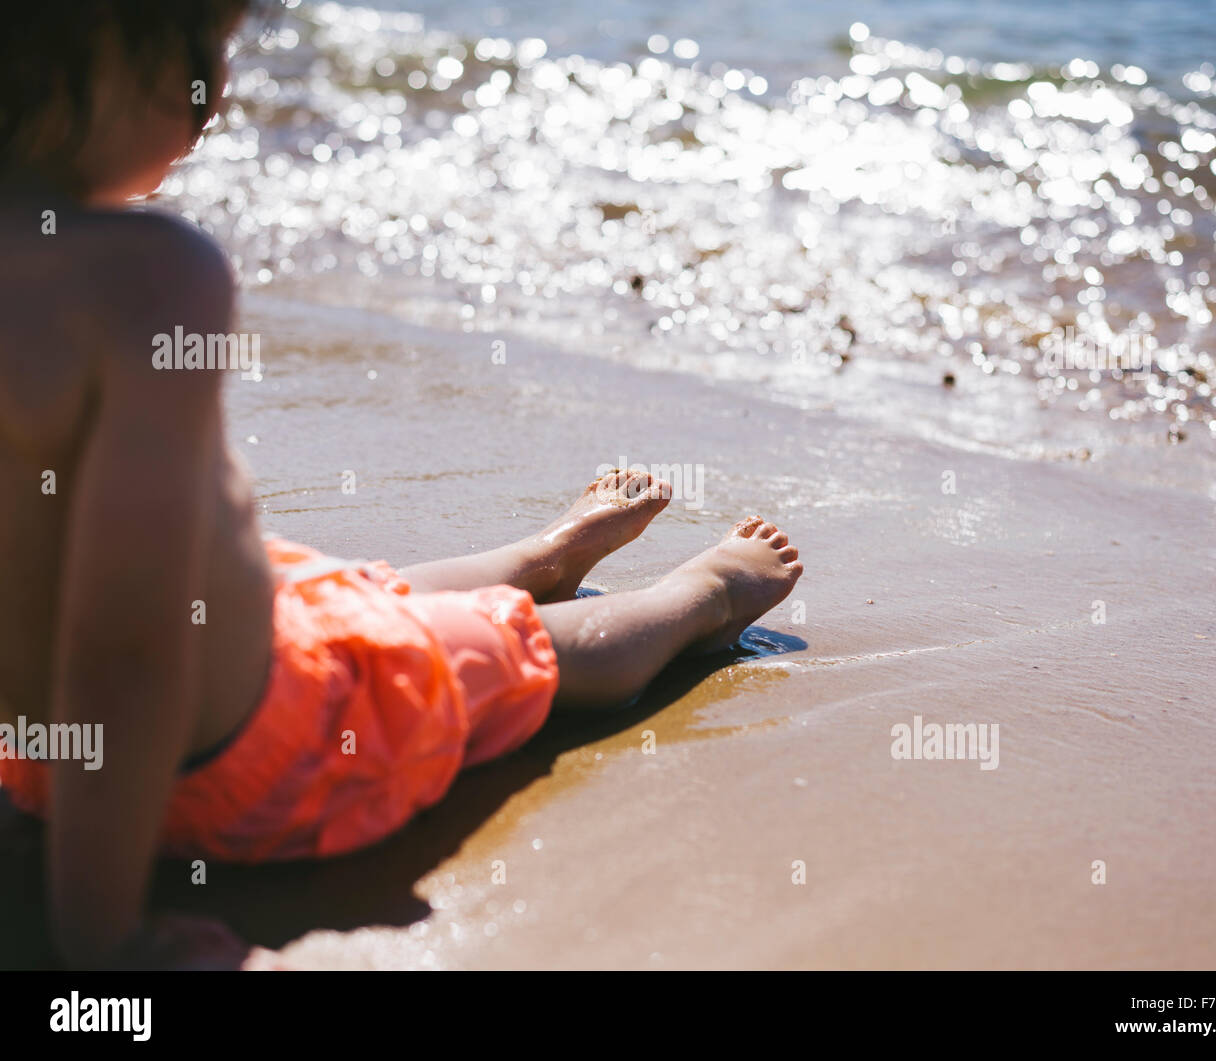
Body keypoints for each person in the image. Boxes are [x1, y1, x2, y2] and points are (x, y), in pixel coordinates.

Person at [0, 2, 802, 968]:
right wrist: (97, 931)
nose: (218, 97)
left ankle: (540, 554)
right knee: (501, 653)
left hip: (39, 763)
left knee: (298, 584)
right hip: (255, 752)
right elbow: (123, 644)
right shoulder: (150, 278)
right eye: (207, 50)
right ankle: (694, 598)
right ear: (105, 48)